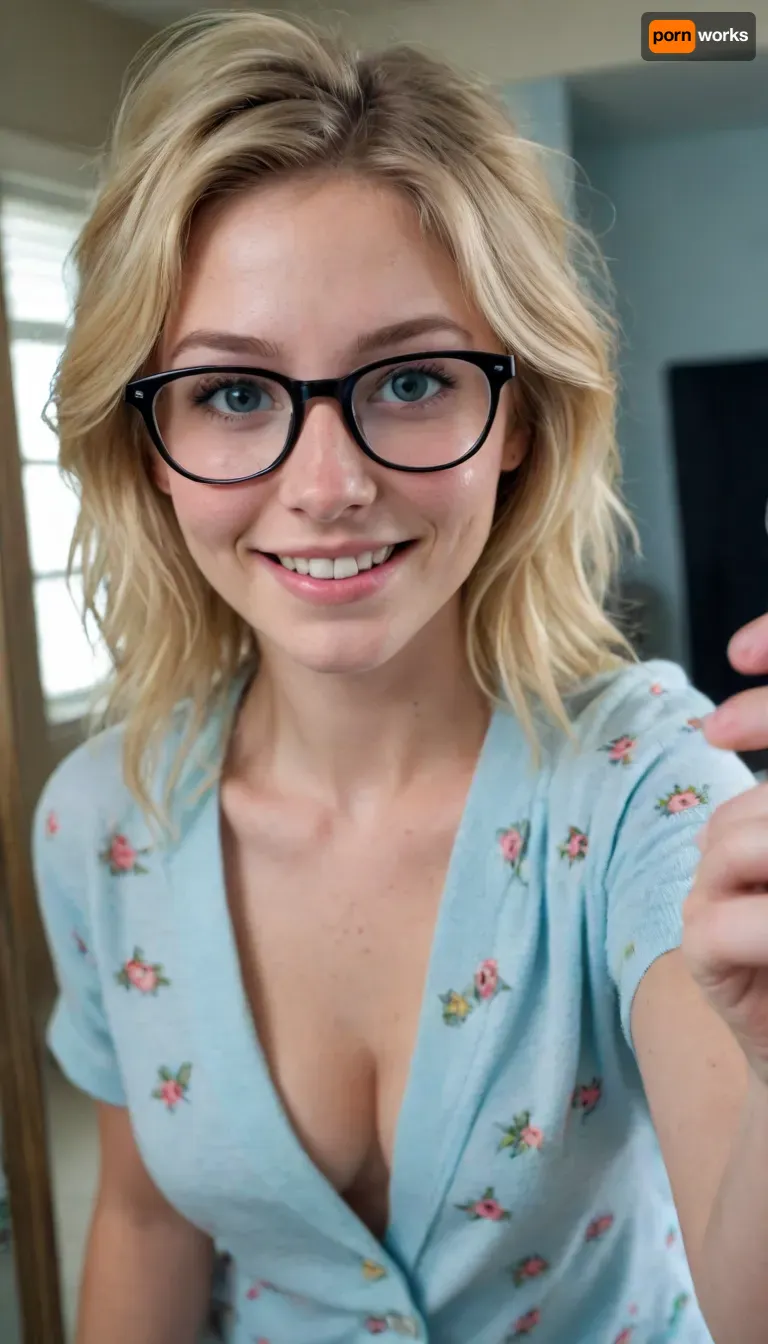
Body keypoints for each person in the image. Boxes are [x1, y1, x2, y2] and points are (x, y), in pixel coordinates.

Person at [31, 11, 768, 1344]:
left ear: (522, 424)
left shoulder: (650, 792)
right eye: (235, 396)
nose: (329, 488)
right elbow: (142, 1222)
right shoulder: (100, 824)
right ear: (148, 443)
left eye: (415, 378)